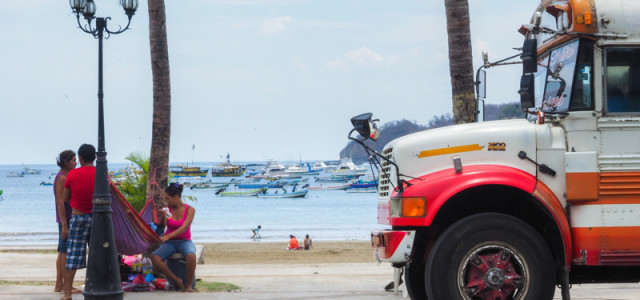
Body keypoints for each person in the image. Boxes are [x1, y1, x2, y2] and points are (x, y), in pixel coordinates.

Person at [61, 144, 96, 300]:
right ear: (95, 157)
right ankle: (97, 288)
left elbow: (64, 198)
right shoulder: (102, 174)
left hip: (78, 217)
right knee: (97, 255)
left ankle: (67, 294)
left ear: (80, 158)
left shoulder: (72, 175)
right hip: (97, 219)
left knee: (73, 257)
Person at [151, 183, 197, 292]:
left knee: (191, 255)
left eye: (168, 198)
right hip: (170, 242)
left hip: (184, 241)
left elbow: (184, 228)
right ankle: (176, 281)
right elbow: (163, 226)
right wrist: (162, 218)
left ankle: (189, 285)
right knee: (154, 257)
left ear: (176, 197)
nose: (167, 201)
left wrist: (167, 237)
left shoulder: (190, 210)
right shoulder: (168, 209)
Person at [53, 150, 80, 295]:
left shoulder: (65, 176)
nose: (76, 163)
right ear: (65, 162)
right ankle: (64, 286)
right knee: (65, 252)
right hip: (67, 218)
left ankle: (59, 283)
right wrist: (64, 224)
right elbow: (60, 202)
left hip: (66, 218)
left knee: (62, 251)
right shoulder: (62, 178)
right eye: (73, 160)